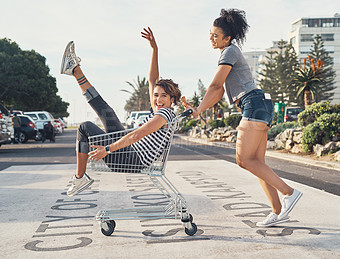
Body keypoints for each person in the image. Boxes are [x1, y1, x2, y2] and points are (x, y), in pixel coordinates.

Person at [190, 9, 302, 227]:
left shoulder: (229, 52)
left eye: (215, 35)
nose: (211, 38)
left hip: (252, 105)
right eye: (210, 34)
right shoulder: (230, 52)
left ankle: (289, 193)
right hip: (259, 105)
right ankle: (278, 212)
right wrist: (200, 107)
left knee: (244, 160)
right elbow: (219, 92)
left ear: (227, 37)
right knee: (256, 163)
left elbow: (214, 85)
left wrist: (198, 110)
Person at [60, 27, 181, 197]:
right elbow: (153, 80)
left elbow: (136, 135)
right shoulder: (158, 110)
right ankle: (75, 71)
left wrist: (107, 150)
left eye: (164, 96)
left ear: (172, 100)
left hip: (131, 160)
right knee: (107, 111)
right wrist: (155, 49)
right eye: (156, 95)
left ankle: (79, 178)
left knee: (84, 127)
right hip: (129, 153)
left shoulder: (165, 114)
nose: (158, 100)